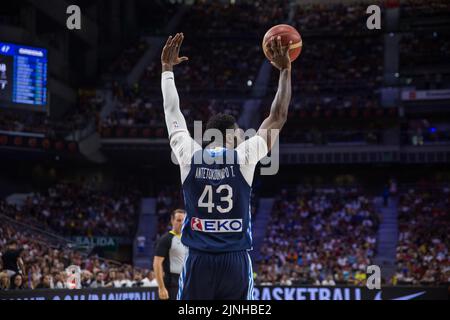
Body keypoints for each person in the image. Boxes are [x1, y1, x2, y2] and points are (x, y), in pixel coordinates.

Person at [160, 33, 292, 300]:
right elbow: (278, 116)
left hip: (199, 261)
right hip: (235, 261)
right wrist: (285, 71)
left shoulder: (188, 154)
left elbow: (172, 111)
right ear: (229, 135)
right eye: (240, 132)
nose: (244, 135)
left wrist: (166, 70)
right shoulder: (244, 156)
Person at [153, 209, 187, 300]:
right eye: (178, 220)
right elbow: (157, 264)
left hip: (186, 280)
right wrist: (161, 287)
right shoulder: (166, 239)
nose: (181, 223)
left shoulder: (188, 239)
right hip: (172, 282)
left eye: (183, 220)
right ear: (172, 220)